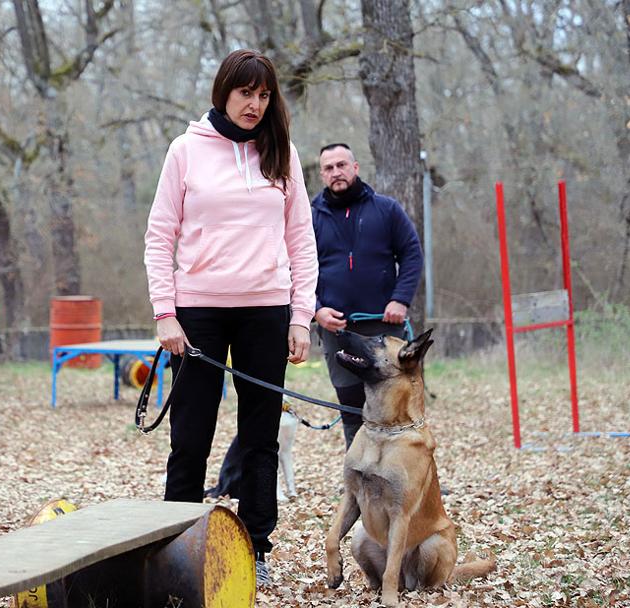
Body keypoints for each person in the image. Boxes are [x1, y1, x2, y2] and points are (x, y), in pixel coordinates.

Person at [144, 49, 318, 585]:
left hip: (267, 311)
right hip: (198, 312)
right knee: (190, 436)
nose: (255, 104)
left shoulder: (281, 152)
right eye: (246, 93)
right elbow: (159, 236)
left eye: (264, 95)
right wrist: (165, 313)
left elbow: (302, 240)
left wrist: (300, 316)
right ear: (224, 91)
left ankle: (256, 547)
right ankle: (176, 545)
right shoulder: (185, 150)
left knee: (260, 436)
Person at [311, 143, 423, 448]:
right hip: (338, 331)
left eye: (342, 165)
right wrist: (317, 309)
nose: (336, 172)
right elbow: (297, 268)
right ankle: (359, 478)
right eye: (329, 168)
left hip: (385, 329)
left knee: (397, 406)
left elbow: (412, 253)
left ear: (355, 167)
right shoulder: (310, 217)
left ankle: (411, 473)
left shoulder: (386, 209)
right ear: (322, 174)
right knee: (351, 409)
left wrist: (400, 298)